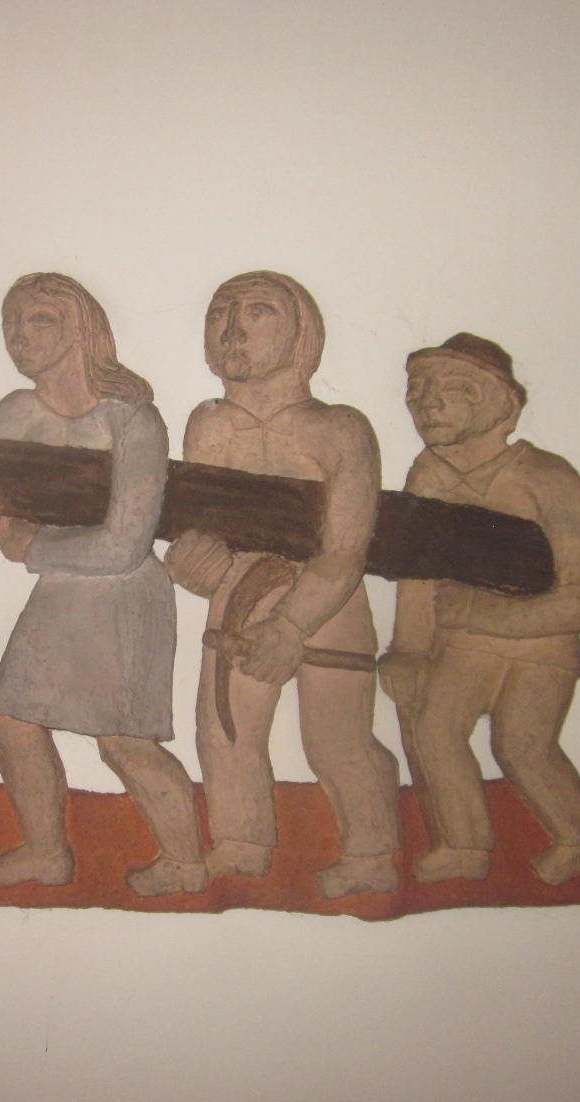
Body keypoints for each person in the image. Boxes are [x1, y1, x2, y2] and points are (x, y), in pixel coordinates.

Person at [0, 273, 206, 896]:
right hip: (62, 587)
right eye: (11, 322)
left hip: (125, 593)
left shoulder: (133, 420)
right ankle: (46, 852)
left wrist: (34, 546)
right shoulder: (14, 415)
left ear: (80, 330)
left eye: (39, 320)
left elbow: (125, 543)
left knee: (123, 740)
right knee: (12, 721)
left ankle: (186, 860)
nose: (19, 336)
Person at [166, 271, 399, 899]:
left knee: (337, 737)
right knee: (225, 730)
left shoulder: (339, 429)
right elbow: (202, 528)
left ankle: (372, 850)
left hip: (326, 600)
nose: (232, 327)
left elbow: (346, 548)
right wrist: (192, 562)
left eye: (258, 311)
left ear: (302, 333)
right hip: (240, 592)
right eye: (220, 311)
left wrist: (293, 625)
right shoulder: (208, 425)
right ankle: (240, 841)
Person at [381, 333, 580, 886]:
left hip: (541, 646)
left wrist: (488, 617)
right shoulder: (429, 475)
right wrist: (409, 649)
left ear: (501, 404)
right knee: (435, 730)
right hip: (463, 645)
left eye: (454, 389)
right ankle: (464, 844)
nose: (428, 403)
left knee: (522, 746)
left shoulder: (546, 477)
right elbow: (419, 573)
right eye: (417, 389)